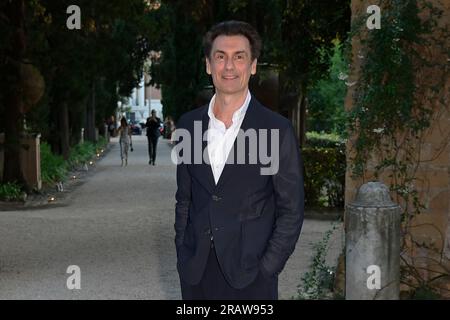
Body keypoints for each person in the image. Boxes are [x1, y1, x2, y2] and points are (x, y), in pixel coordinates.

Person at [174, 21, 304, 300]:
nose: (229, 66)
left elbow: (291, 209)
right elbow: (184, 199)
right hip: (196, 275)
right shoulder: (188, 125)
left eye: (239, 57)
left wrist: (268, 268)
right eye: (220, 57)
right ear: (209, 65)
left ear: (253, 65)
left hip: (252, 277)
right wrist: (183, 254)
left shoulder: (275, 130)